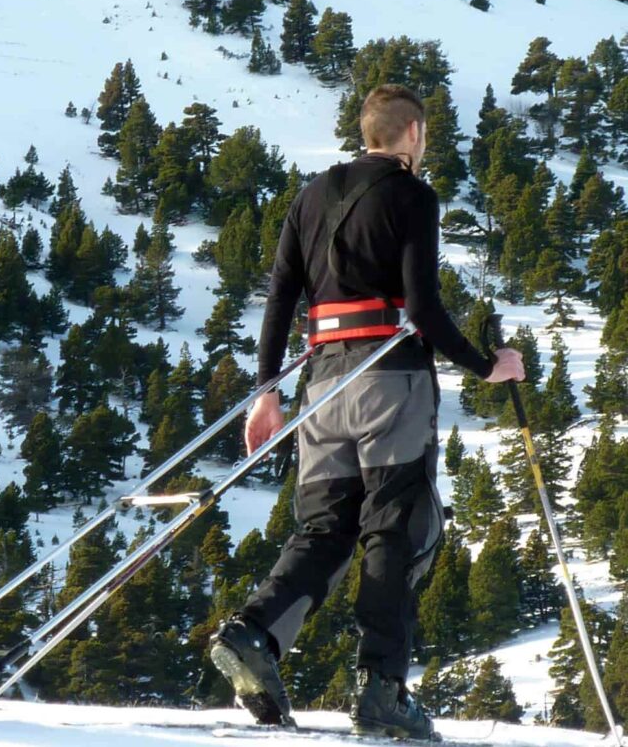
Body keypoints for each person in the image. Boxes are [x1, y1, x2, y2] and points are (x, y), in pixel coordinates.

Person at [208, 84, 525, 740]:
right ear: (411, 133)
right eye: (425, 135)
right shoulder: (412, 195)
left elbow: (279, 299)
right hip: (388, 378)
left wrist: (266, 392)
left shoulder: (310, 195)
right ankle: (382, 690)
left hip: (321, 384)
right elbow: (422, 307)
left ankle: (255, 634)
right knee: (395, 527)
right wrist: (485, 365)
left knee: (325, 528)